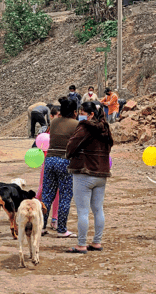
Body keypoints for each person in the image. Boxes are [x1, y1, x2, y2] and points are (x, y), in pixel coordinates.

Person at [65, 102, 113, 253]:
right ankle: (96, 242)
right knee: (98, 210)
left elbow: (71, 145)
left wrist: (69, 155)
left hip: (84, 173)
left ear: (91, 114)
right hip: (102, 173)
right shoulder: (106, 128)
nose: (80, 115)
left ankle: (81, 244)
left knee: (83, 212)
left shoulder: (85, 127)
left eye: (82, 112)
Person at [41, 97, 79, 238]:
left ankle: (41, 226)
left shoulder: (54, 121)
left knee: (47, 195)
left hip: (50, 160)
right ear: (74, 112)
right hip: (65, 162)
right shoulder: (76, 124)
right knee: (65, 196)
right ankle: (62, 229)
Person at [35, 107, 60, 230]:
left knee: (58, 192)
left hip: (59, 163)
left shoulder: (63, 130)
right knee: (42, 189)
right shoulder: (45, 132)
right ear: (51, 116)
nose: (60, 118)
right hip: (46, 163)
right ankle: (32, 209)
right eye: (58, 115)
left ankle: (54, 219)